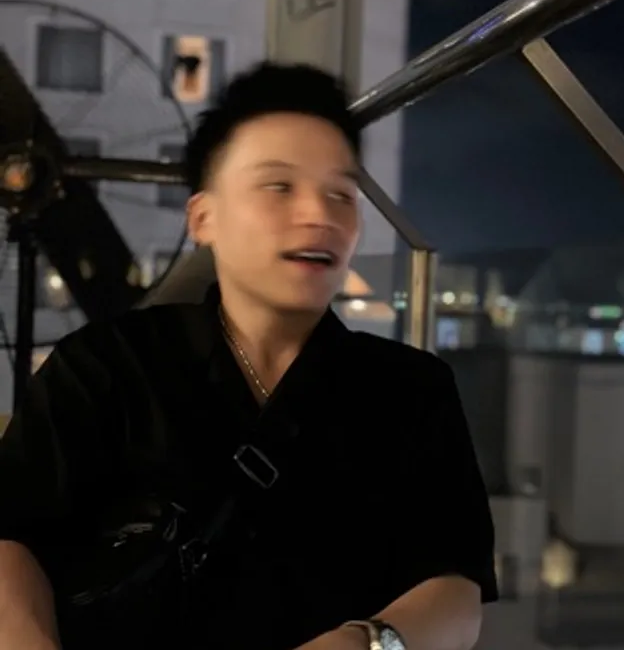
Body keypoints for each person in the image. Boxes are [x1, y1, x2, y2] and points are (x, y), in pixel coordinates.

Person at [0, 62, 498, 650]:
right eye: (278, 186)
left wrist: (364, 643)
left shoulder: (411, 389)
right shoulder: (104, 365)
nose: (319, 215)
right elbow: (12, 534)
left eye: (341, 193)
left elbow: (456, 590)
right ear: (203, 218)